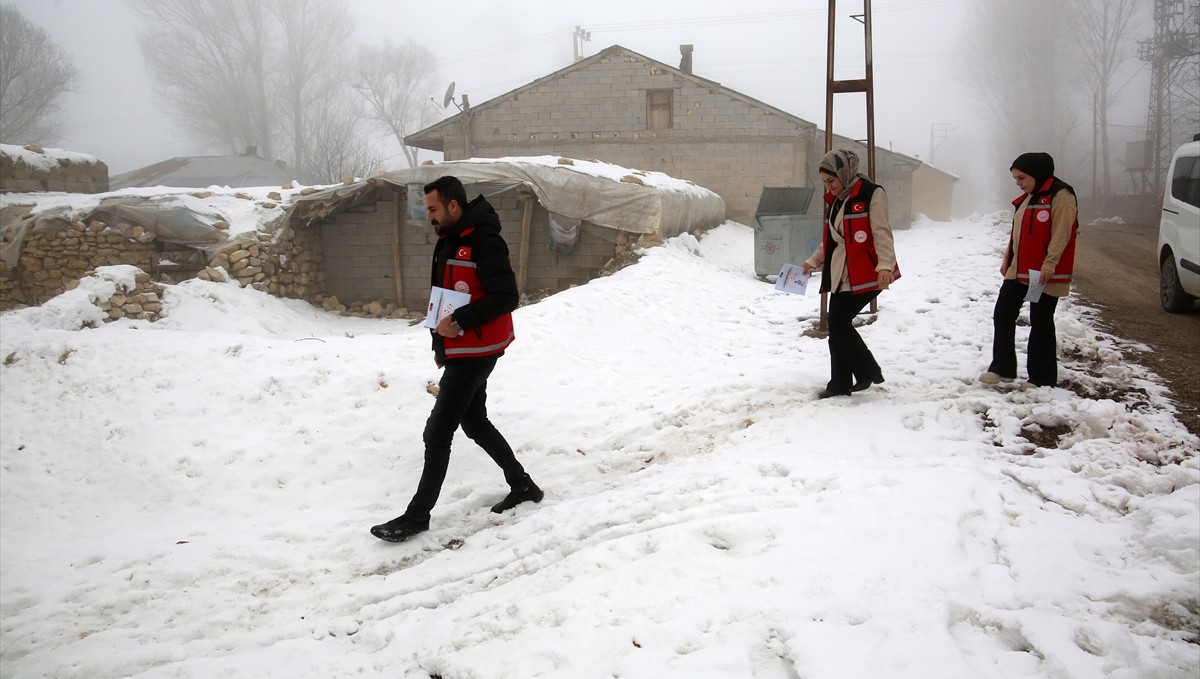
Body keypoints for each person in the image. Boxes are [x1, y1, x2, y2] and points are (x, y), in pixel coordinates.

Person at [371, 175, 543, 542]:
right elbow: (444, 296)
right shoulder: (449, 240)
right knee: (475, 422)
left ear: (453, 205)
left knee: (437, 432)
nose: (429, 216)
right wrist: (440, 343)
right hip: (461, 349)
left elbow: (506, 296)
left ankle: (417, 517)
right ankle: (523, 486)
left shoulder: (484, 239)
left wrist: (460, 323)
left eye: (432, 209)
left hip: (478, 349)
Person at [802, 149, 900, 399]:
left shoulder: (871, 193)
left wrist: (885, 266)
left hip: (868, 272)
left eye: (831, 180)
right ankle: (839, 383)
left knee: (838, 322)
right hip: (841, 273)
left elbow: (881, 232)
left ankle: (867, 370)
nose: (829, 186)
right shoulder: (837, 199)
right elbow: (833, 239)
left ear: (845, 173)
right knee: (837, 327)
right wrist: (813, 261)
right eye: (825, 182)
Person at [980, 152, 1078, 389]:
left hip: (1043, 273)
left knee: (1041, 321)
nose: (1019, 183)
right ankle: (1002, 367)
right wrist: (1008, 259)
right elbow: (1018, 234)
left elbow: (1061, 234)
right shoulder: (1027, 198)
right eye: (1015, 179)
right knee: (1003, 314)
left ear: (1036, 173)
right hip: (1019, 271)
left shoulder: (1061, 195)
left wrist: (1049, 264)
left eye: (1022, 177)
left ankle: (1041, 377)